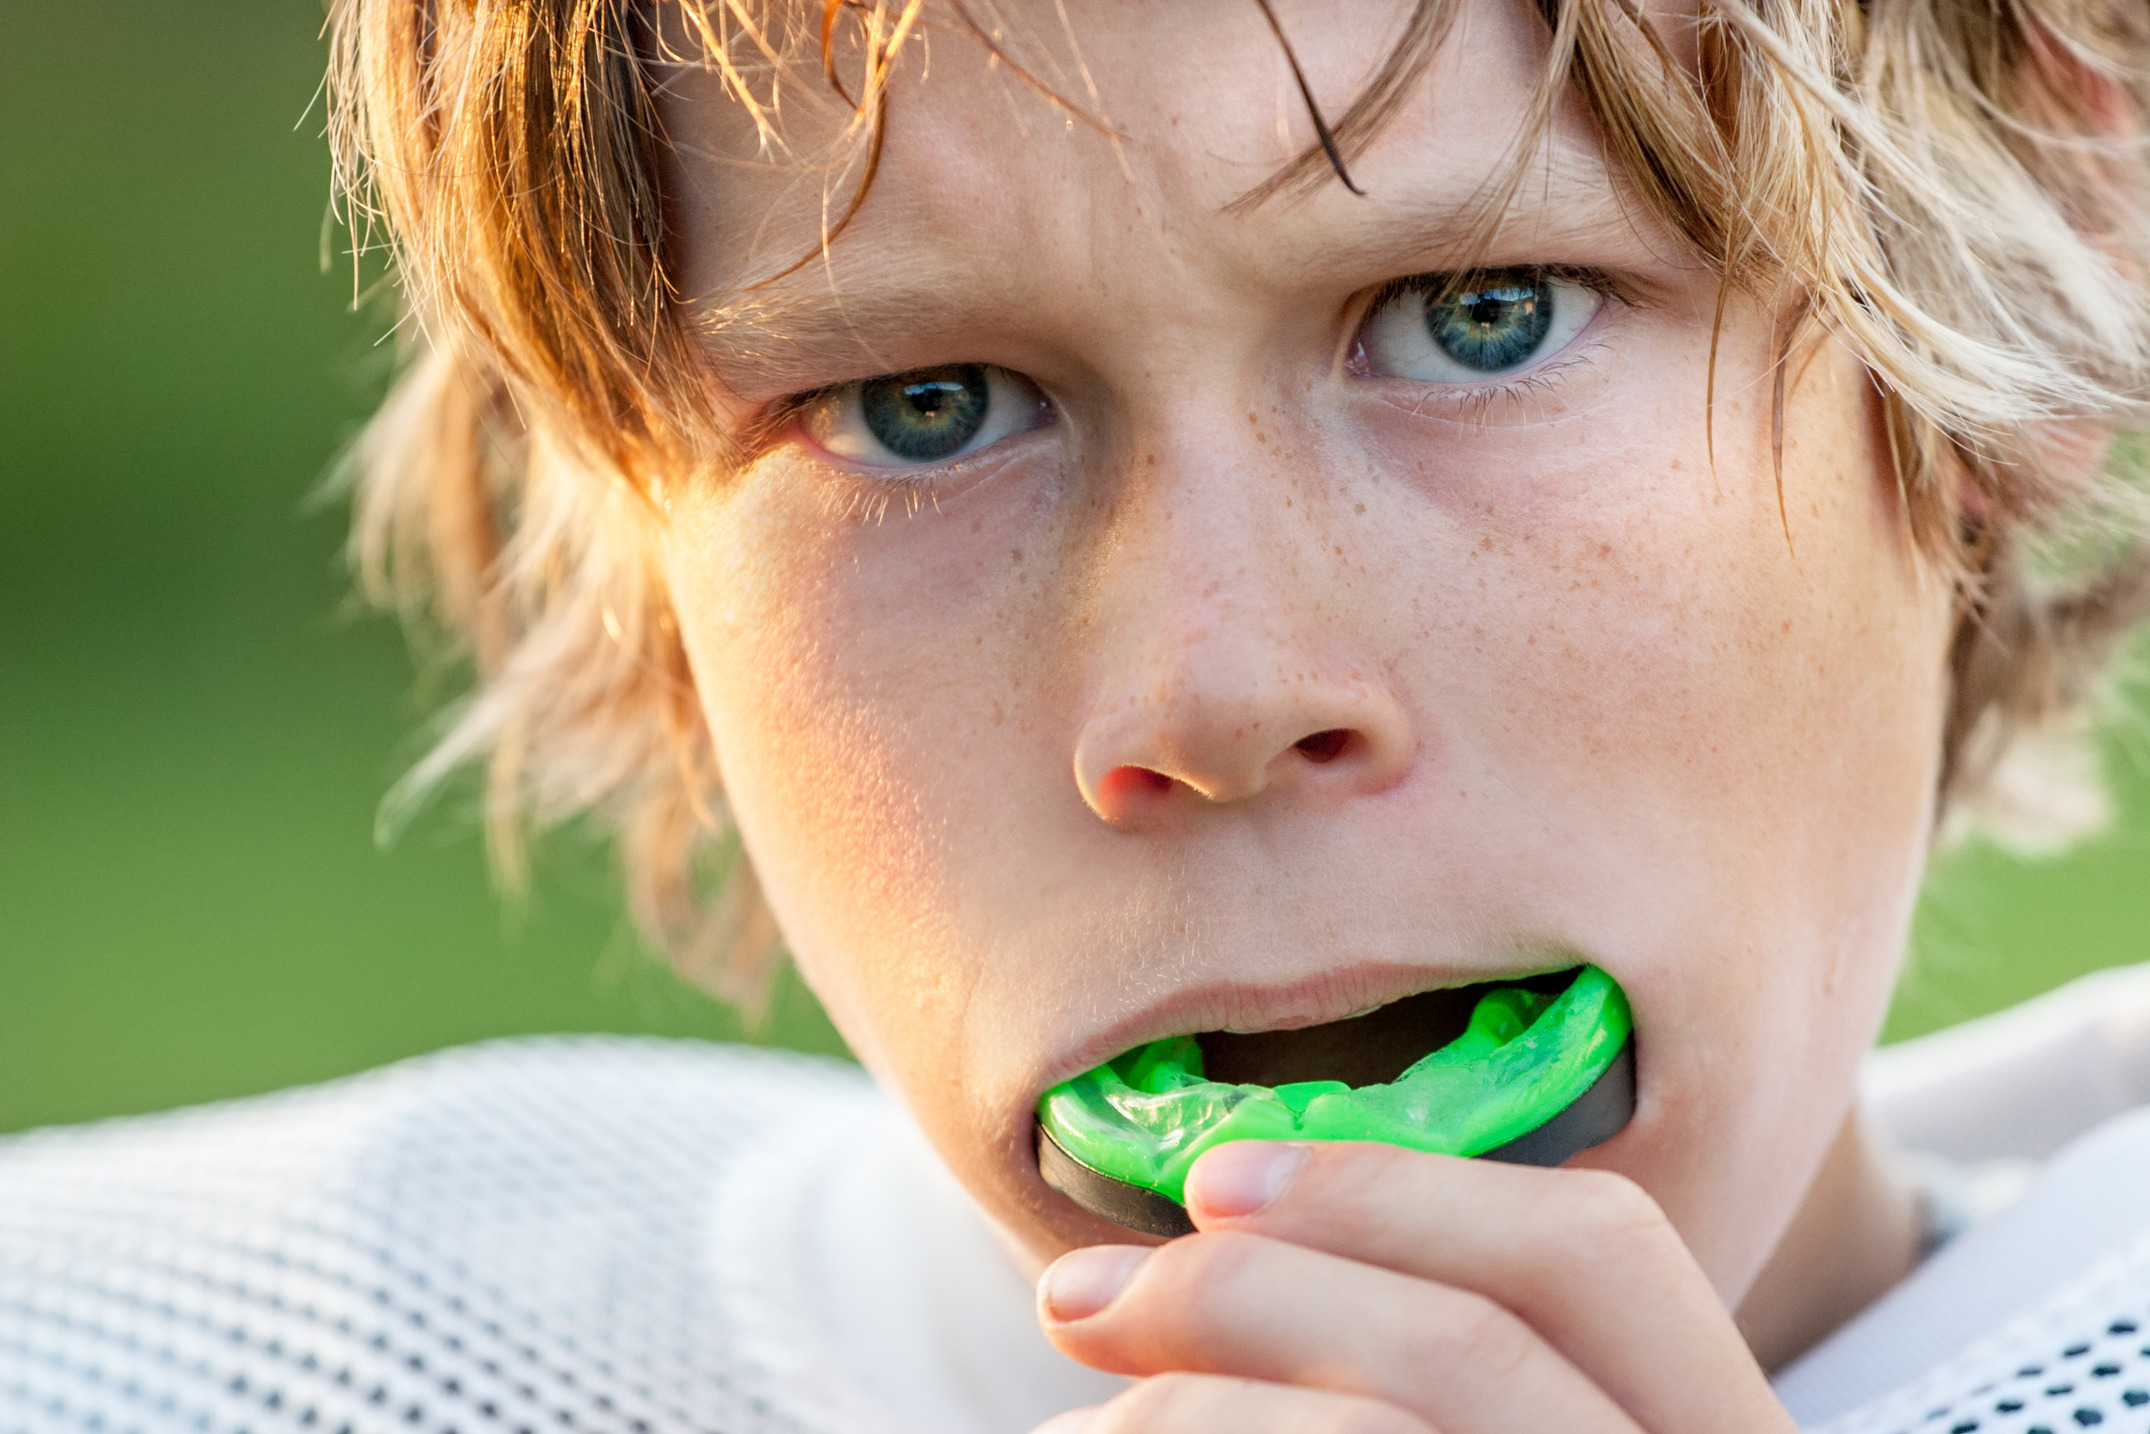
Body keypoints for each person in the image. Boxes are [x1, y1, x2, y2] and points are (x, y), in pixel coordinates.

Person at [6, 1, 2150, 1430]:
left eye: (1476, 318)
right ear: (636, 548)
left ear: (2051, 264)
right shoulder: (205, 1354)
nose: (1210, 689)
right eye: (922, 408)